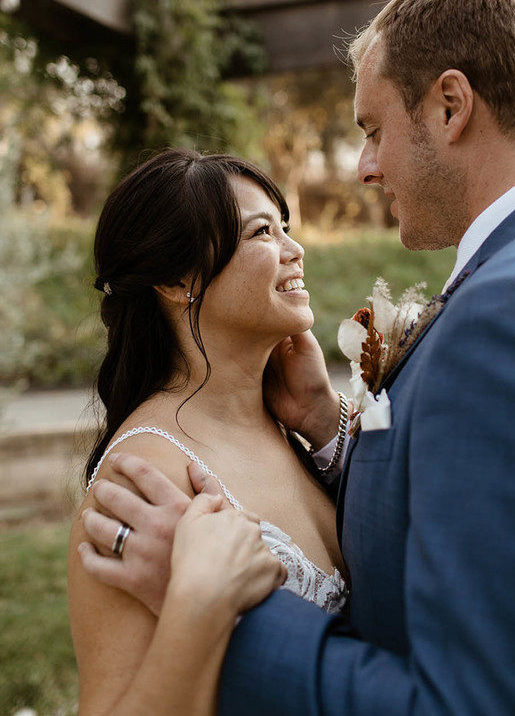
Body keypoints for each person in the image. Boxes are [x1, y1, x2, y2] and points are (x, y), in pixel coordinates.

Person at [80, 0, 515, 714]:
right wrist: (329, 425)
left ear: (450, 106)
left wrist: (214, 612)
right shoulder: (153, 469)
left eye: (372, 130)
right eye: (260, 232)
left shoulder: (510, 306)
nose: (366, 167)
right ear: (178, 281)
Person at [67, 150, 349, 716]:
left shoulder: (289, 426)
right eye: (263, 232)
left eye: (286, 228)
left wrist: (327, 420)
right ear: (176, 279)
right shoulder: (143, 480)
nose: (296, 251)